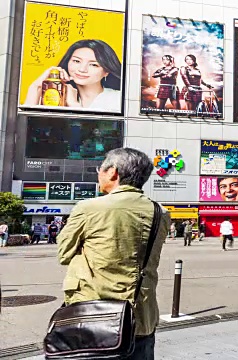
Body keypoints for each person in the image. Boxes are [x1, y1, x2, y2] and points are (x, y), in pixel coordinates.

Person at [57, 147, 170, 359]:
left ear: (113, 172)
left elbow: (63, 253)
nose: (98, 174)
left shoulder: (89, 208)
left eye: (99, 169)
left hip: (93, 318)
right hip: (140, 318)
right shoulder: (160, 212)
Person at [24, 39, 122, 112]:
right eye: (76, 61)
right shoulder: (54, 95)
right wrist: (35, 86)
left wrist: (74, 104)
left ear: (106, 71)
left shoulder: (118, 99)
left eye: (93, 64)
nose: (82, 69)